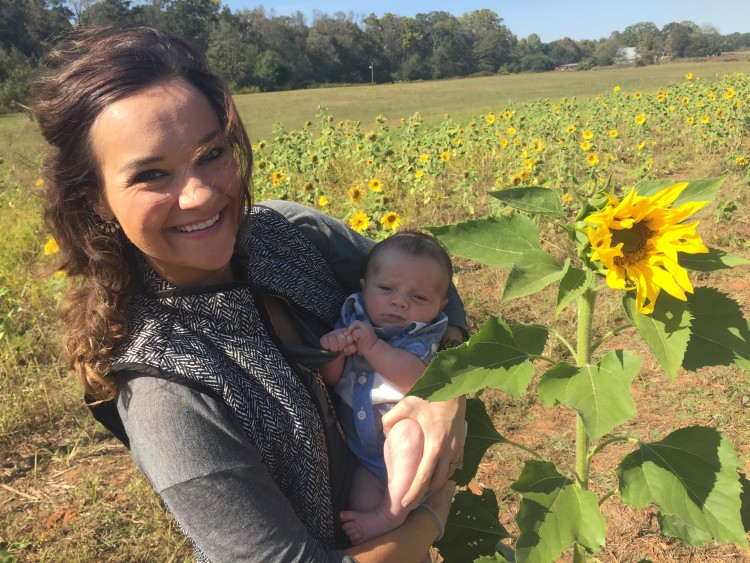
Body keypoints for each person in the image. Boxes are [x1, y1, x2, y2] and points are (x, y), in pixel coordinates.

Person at [29, 26, 468, 563]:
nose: (200, 194)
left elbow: (433, 287)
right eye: (151, 174)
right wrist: (431, 516)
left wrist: (445, 391)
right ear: (95, 198)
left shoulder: (288, 232)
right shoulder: (165, 392)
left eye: (211, 153)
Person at [319, 232, 453, 545]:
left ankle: (391, 513)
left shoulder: (422, 334)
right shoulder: (353, 316)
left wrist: (373, 347)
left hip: (409, 447)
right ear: (364, 288)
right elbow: (335, 380)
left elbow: (417, 380)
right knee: (364, 505)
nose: (400, 301)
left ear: (441, 306)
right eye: (386, 289)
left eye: (419, 298)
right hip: (365, 459)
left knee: (407, 435)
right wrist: (335, 352)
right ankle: (387, 524)